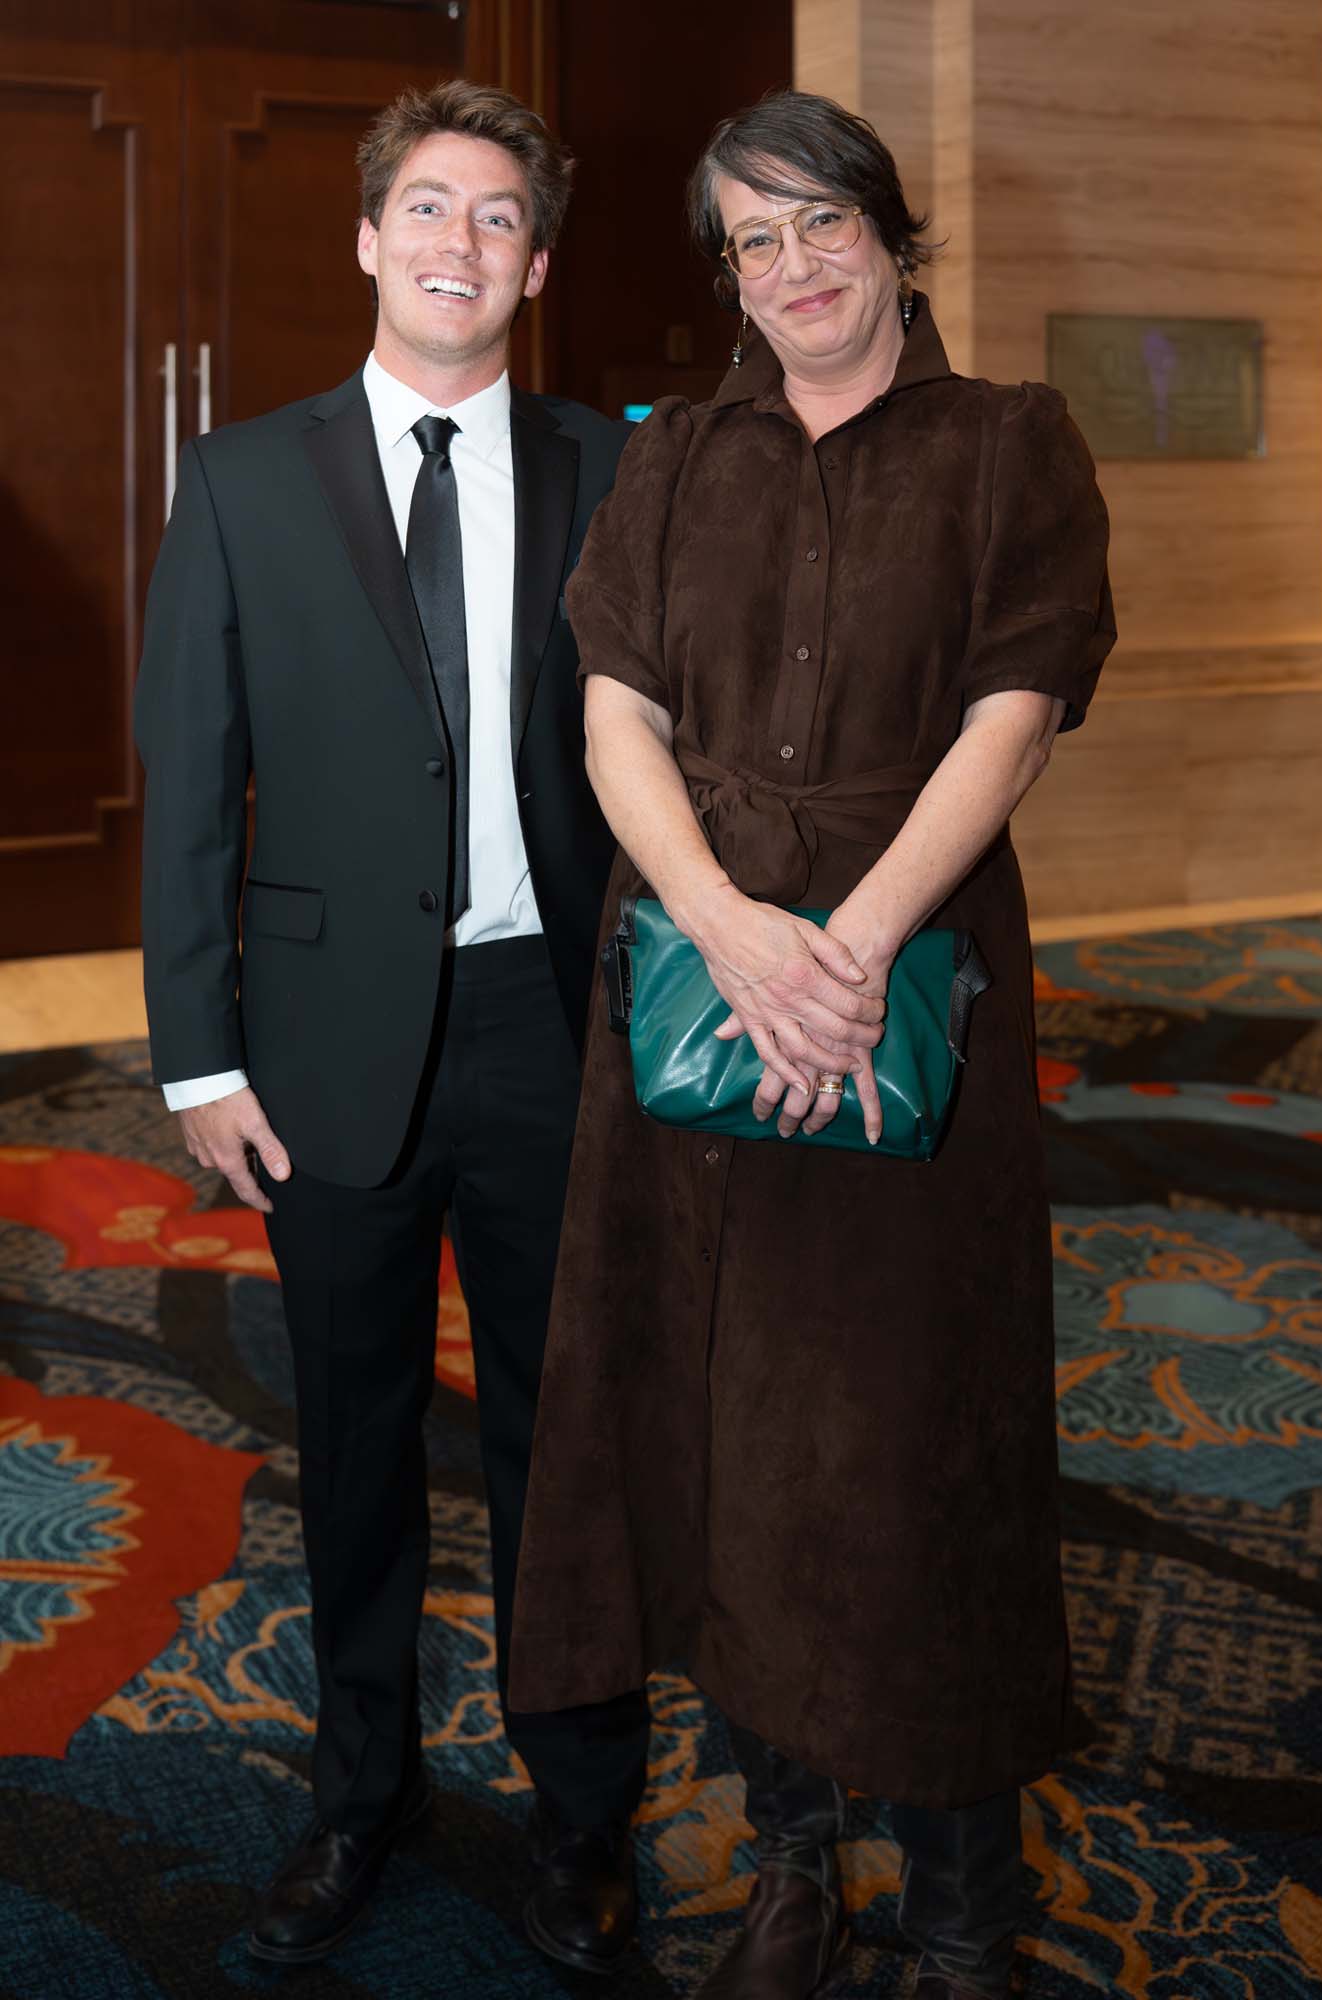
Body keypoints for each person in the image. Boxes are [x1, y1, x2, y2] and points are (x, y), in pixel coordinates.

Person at [508, 89, 1115, 2000]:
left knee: (913, 1444)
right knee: (721, 1434)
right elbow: (613, 714)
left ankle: (960, 1905)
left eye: (820, 222)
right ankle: (789, 1864)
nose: (791, 268)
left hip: (903, 1001)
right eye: (751, 241)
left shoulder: (1010, 441)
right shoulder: (671, 457)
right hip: (694, 999)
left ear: (888, 230)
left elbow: (1013, 715)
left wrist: (846, 954)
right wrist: (722, 926)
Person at [134, 79, 649, 1976]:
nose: (459, 242)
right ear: (367, 239)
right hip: (322, 1041)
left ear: (536, 264)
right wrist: (200, 1055)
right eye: (427, 206)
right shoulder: (242, 480)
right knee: (352, 1444)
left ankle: (581, 1813)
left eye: (498, 216)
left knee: (564, 1447)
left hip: (551, 1026)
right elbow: (192, 781)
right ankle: (358, 1796)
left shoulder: (612, 470)